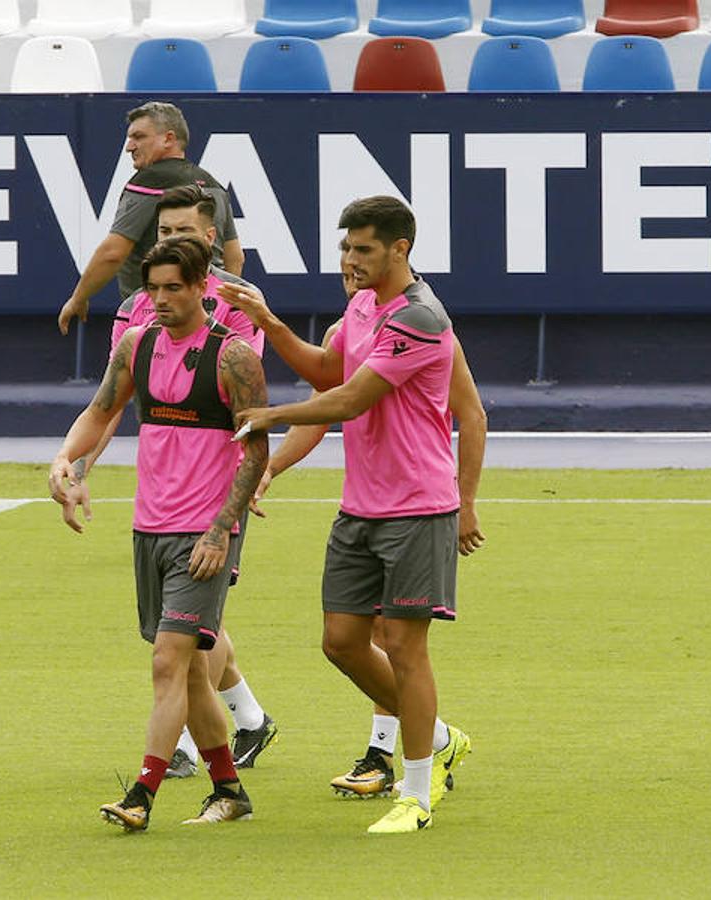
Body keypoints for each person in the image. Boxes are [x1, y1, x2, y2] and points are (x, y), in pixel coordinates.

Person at [227, 196, 474, 835]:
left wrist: (271, 417)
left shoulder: (420, 316)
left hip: (418, 506)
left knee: (404, 647)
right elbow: (327, 372)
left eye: (363, 249)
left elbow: (355, 398)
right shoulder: (361, 306)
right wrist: (272, 324)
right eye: (346, 248)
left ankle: (416, 794)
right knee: (341, 642)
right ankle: (439, 736)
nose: (350, 260)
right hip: (360, 505)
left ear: (401, 248)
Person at [49, 235, 269, 831]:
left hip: (206, 531)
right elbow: (100, 412)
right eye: (154, 288)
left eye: (175, 287)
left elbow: (255, 453)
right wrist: (66, 460)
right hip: (150, 526)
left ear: (203, 287)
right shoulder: (136, 345)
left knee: (168, 661)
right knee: (193, 669)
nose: (163, 299)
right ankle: (229, 791)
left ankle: (141, 795)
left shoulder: (233, 357)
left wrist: (224, 528)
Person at [56, 101, 243, 336]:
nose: (129, 146)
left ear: (168, 139)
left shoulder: (148, 182)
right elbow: (235, 258)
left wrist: (78, 298)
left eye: (139, 137)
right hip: (208, 317)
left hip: (157, 320)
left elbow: (113, 253)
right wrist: (222, 306)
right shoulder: (214, 185)